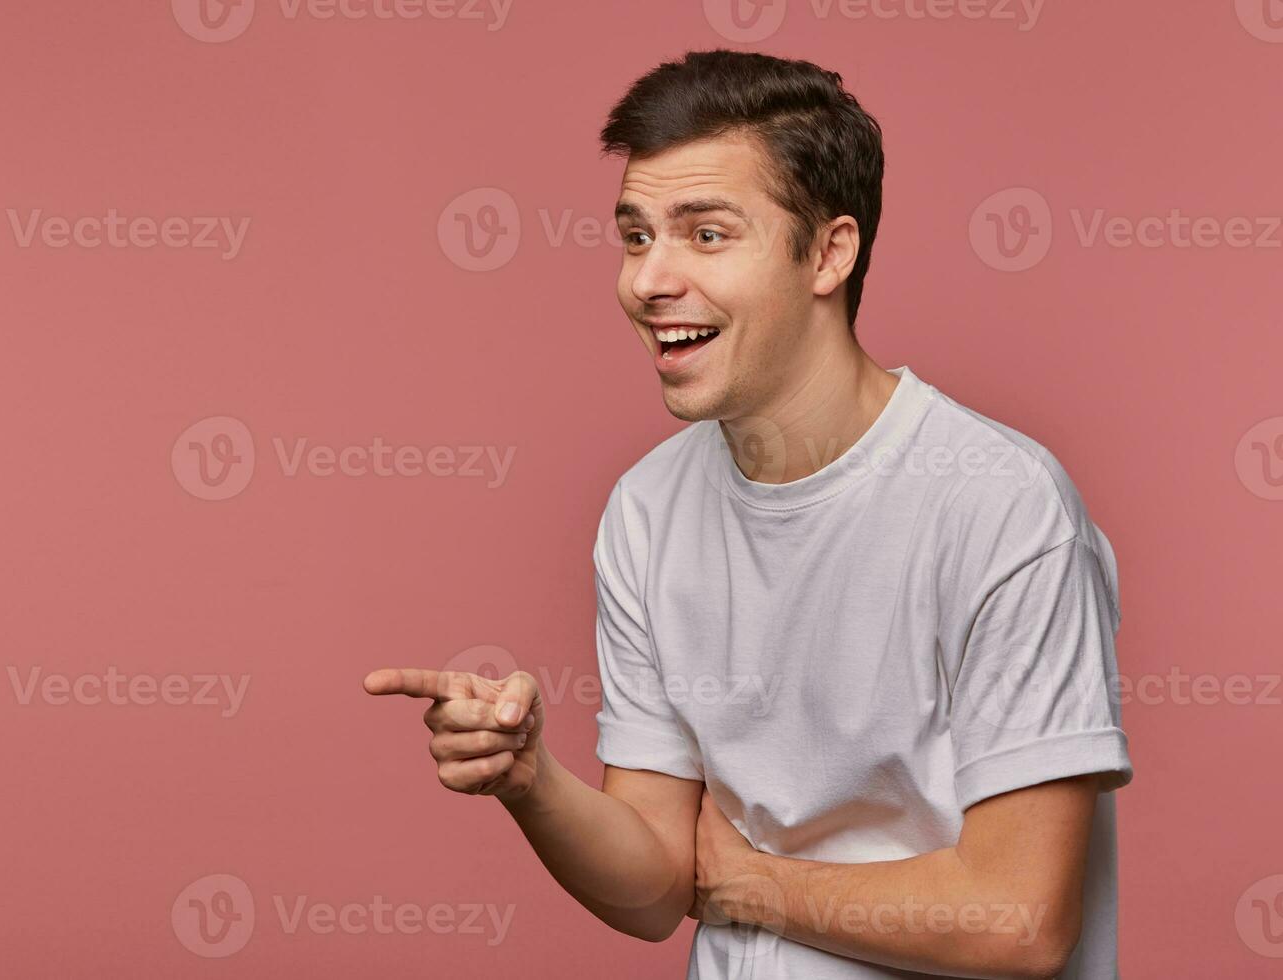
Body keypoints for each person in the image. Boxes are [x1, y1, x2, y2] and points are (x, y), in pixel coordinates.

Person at [365, 49, 1131, 979]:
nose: (649, 281)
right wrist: (531, 781)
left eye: (707, 235)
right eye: (637, 235)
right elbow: (654, 888)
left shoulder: (1001, 505)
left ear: (829, 252)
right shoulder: (647, 510)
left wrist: (747, 885)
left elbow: (1019, 921)